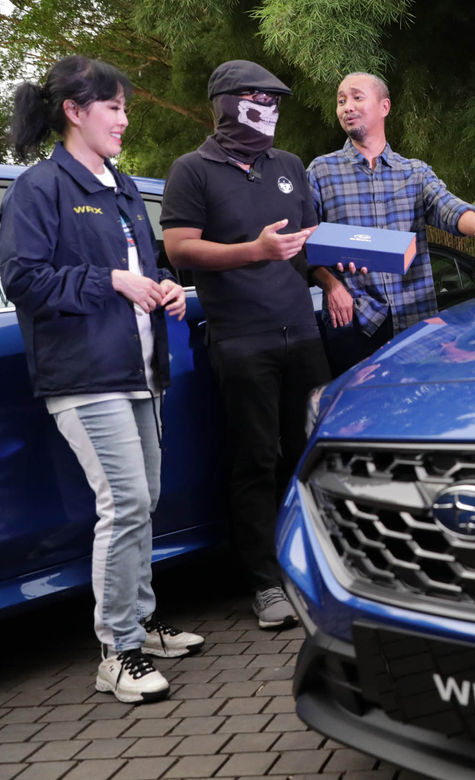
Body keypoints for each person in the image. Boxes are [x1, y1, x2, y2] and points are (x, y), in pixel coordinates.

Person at [0, 55, 203, 705]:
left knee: (143, 500)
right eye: (113, 108)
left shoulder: (116, 187)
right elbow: (23, 280)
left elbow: (141, 270)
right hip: (85, 378)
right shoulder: (40, 188)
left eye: (123, 108)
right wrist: (111, 281)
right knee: (123, 502)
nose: (123, 119)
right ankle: (118, 650)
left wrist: (164, 287)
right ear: (74, 111)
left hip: (137, 370)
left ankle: (139, 620)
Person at [160, 60, 329, 630]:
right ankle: (264, 583)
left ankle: (320, 571)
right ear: (227, 103)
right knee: (256, 460)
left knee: (311, 457)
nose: (269, 110)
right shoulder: (192, 169)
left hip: (301, 333)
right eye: (258, 98)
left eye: (275, 100)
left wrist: (336, 274)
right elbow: (180, 249)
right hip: (242, 340)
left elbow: (304, 246)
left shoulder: (288, 165)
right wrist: (252, 251)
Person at [306, 72, 475, 376]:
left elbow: (449, 207)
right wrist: (330, 284)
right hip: (352, 321)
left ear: (384, 107)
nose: (347, 106)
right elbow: (303, 241)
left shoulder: (414, 172)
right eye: (341, 101)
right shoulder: (321, 172)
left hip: (415, 321)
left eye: (356, 97)